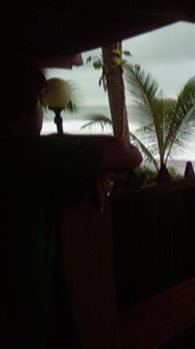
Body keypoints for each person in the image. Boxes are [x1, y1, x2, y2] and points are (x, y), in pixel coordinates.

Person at [0, 58, 142, 347]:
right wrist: (56, 143)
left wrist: (88, 170)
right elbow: (128, 154)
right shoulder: (26, 154)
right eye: (40, 101)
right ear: (26, 108)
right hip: (24, 321)